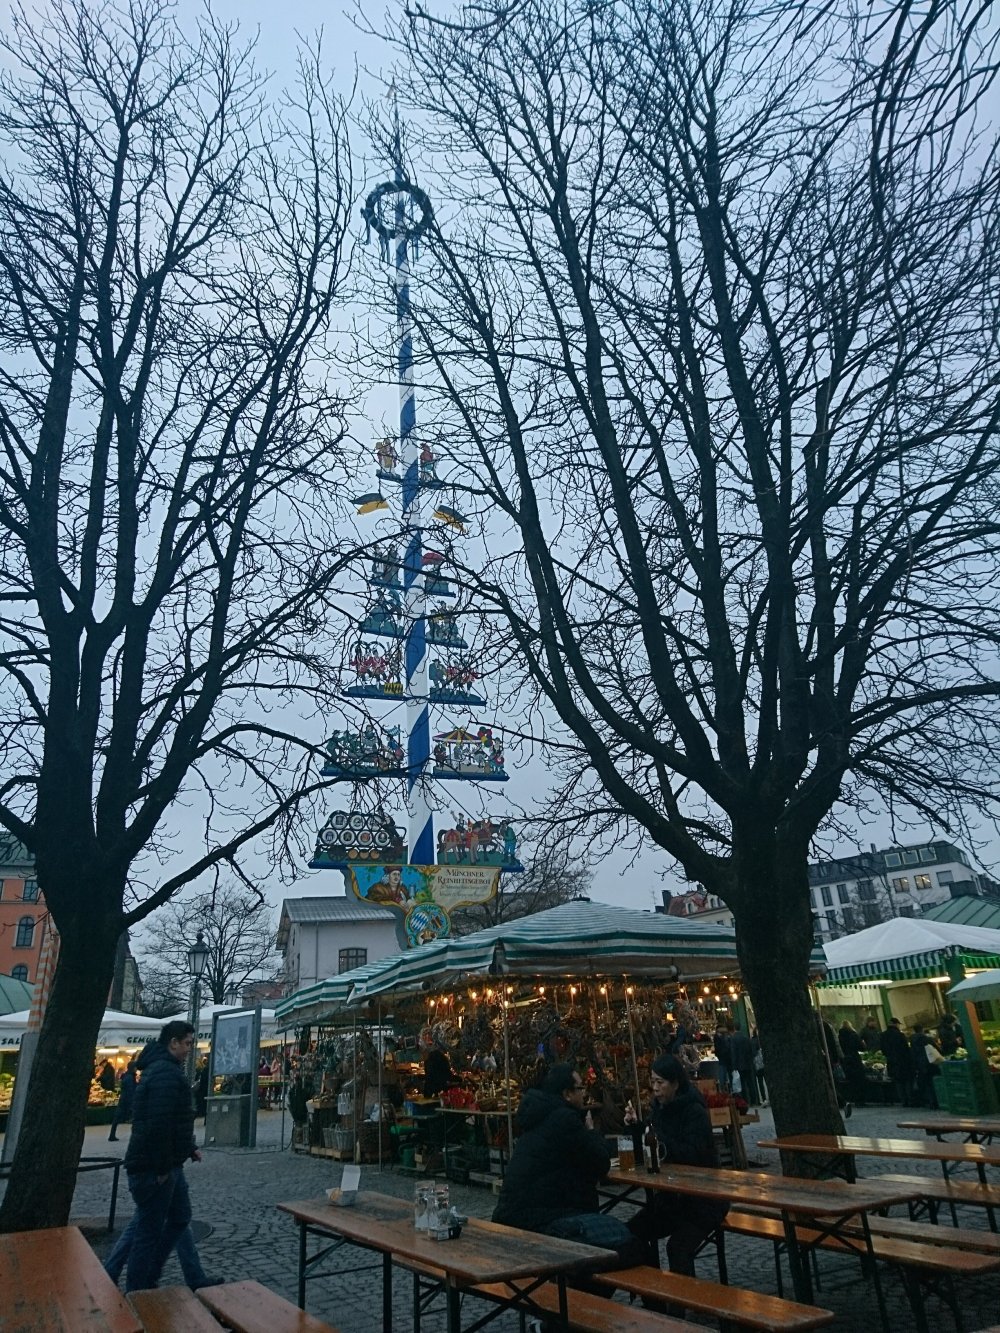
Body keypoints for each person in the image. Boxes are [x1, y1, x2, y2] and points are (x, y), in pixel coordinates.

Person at [492, 1064, 644, 1267]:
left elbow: (591, 1153)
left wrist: (628, 1132)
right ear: (567, 1094)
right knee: (634, 1248)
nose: (584, 1093)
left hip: (517, 1216)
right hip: (541, 1222)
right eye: (580, 1088)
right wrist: (591, 1130)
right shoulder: (564, 1119)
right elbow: (600, 1162)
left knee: (625, 1242)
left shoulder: (541, 1116)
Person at [624, 1054, 729, 1275]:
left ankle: (684, 1295)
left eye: (660, 1082)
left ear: (675, 1083)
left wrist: (660, 1142)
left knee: (677, 1247)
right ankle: (652, 1289)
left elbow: (693, 1154)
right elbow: (652, 1139)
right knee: (631, 1233)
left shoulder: (694, 1111)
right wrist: (637, 1127)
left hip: (703, 1199)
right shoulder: (659, 1109)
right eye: (653, 1081)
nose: (655, 1088)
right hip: (672, 1199)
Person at [123, 1020, 206, 1292]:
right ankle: (138, 1288)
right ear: (173, 1042)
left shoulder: (163, 1070)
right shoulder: (166, 1073)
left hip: (167, 1162)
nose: (189, 1049)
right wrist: (161, 1168)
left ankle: (149, 1276)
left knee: (178, 1217)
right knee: (148, 1231)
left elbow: (171, 1119)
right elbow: (159, 1123)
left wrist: (187, 1147)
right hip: (155, 1166)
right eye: (187, 1043)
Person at [879, 1017, 913, 1105]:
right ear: (895, 1024)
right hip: (902, 1060)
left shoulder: (883, 1035)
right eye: (898, 1024)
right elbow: (906, 1048)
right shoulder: (900, 1035)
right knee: (907, 1080)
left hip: (891, 1061)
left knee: (898, 1081)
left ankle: (903, 1100)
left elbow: (882, 1049)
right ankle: (910, 1100)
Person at [909, 1023, 942, 1108]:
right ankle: (936, 1101)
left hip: (920, 1063)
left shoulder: (912, 1040)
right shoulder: (927, 1038)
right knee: (933, 1082)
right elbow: (936, 1048)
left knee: (926, 1083)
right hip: (929, 1061)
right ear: (922, 1029)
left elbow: (912, 1052)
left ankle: (930, 1101)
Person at [837, 1021, 867, 1108]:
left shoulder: (839, 1036)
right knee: (859, 1080)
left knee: (851, 1081)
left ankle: (853, 1099)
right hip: (855, 1059)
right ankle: (860, 1100)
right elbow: (861, 1047)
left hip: (845, 1060)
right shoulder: (853, 1035)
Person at [108, 1060, 138, 1141]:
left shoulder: (127, 1076)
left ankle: (112, 1135)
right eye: (135, 1067)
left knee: (117, 1119)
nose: (136, 1069)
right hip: (127, 1101)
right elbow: (131, 1091)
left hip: (123, 1100)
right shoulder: (130, 1077)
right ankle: (135, 1136)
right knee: (135, 1119)